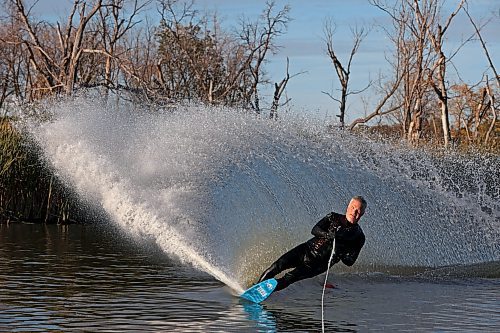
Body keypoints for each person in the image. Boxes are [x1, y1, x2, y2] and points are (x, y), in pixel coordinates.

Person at [258, 196, 367, 292]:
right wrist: (327, 235)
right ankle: (256, 288)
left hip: (318, 265)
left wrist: (341, 252)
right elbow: (315, 230)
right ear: (348, 207)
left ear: (362, 214)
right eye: (353, 208)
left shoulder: (358, 237)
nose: (354, 212)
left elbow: (350, 262)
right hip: (305, 250)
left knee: (289, 277)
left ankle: (264, 293)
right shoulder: (333, 217)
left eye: (358, 211)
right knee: (277, 266)